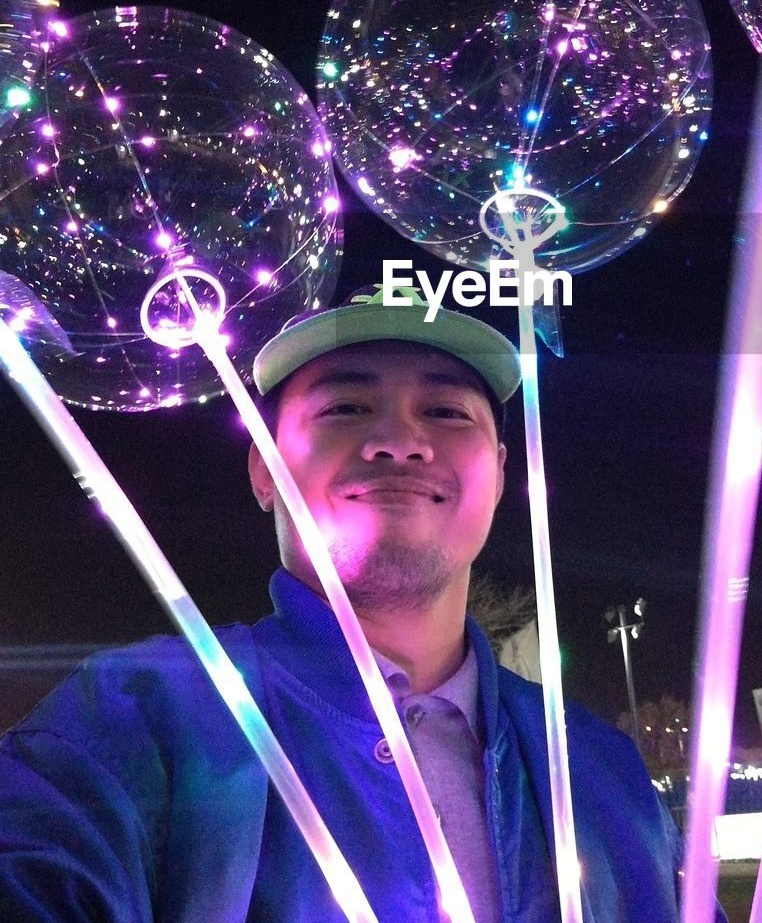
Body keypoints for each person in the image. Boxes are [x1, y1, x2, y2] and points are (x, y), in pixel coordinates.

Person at [0, 283, 712, 922]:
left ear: (499, 475)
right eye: (345, 406)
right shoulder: (131, 721)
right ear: (263, 469)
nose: (400, 441)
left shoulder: (598, 766)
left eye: (444, 411)